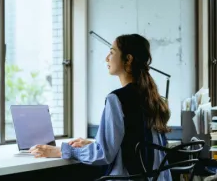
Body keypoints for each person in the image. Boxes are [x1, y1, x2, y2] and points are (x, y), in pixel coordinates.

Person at [29, 34, 172, 180]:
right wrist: (94, 144)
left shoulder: (117, 99)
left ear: (128, 59)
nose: (107, 58)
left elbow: (104, 154)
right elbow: (132, 142)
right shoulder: (153, 99)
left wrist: (63, 151)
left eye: (112, 52)